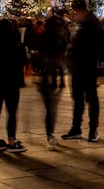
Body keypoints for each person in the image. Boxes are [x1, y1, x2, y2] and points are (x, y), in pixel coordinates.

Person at [63, 0, 104, 143]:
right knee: (78, 99)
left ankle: (92, 129)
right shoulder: (84, 23)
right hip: (79, 67)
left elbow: (99, 45)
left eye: (74, 12)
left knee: (90, 98)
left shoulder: (92, 24)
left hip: (87, 67)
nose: (73, 15)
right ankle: (76, 128)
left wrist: (98, 62)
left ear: (79, 10)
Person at [0, 18, 28, 153]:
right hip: (12, 82)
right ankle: (11, 141)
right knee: (12, 112)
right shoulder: (15, 43)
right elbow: (23, 61)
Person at [35, 15, 68, 148]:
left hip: (49, 76)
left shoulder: (47, 37)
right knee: (51, 109)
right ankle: (50, 134)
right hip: (48, 76)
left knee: (51, 108)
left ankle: (50, 133)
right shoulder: (54, 39)